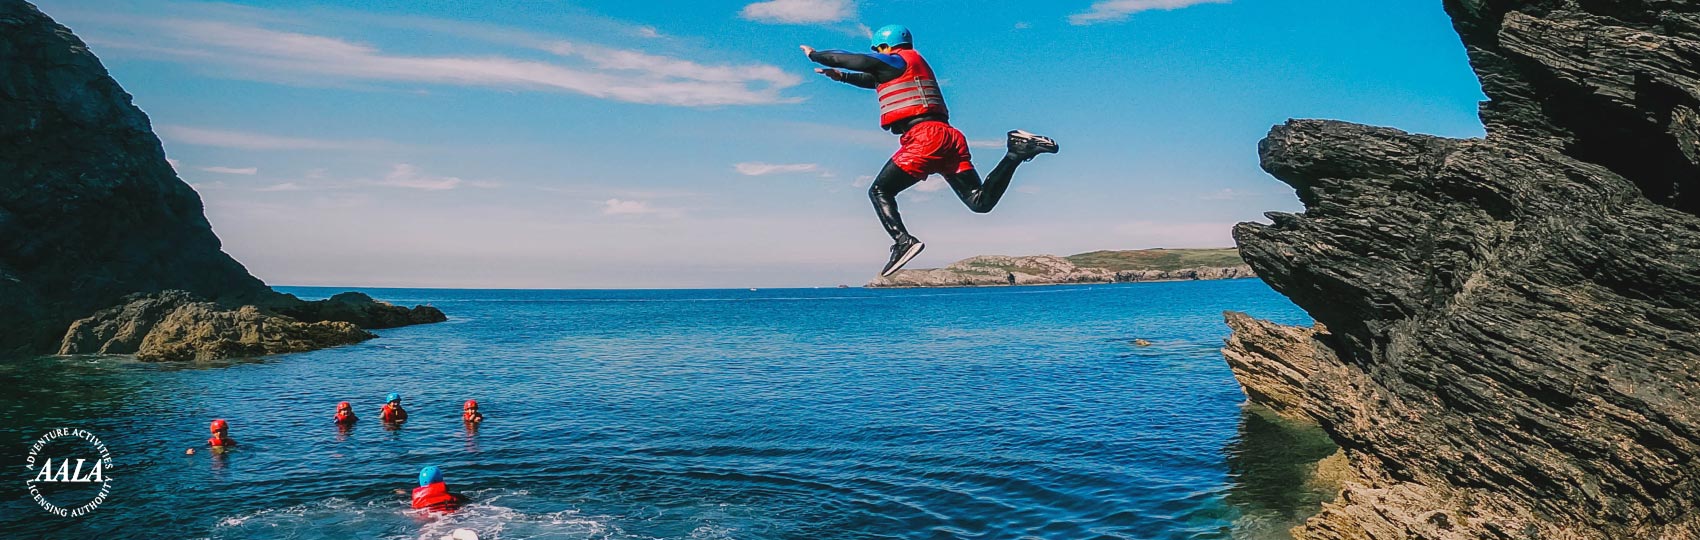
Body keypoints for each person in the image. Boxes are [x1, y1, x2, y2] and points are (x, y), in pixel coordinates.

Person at [803, 24, 1059, 276]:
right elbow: (873, 79)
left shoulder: (896, 59)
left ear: (886, 46)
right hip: (949, 137)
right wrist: (843, 77)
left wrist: (815, 55)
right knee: (979, 202)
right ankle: (1016, 151)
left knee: (880, 190)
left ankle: (903, 241)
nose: (878, 53)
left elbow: (855, 60)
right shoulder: (906, 67)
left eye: (879, 49)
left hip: (926, 137)